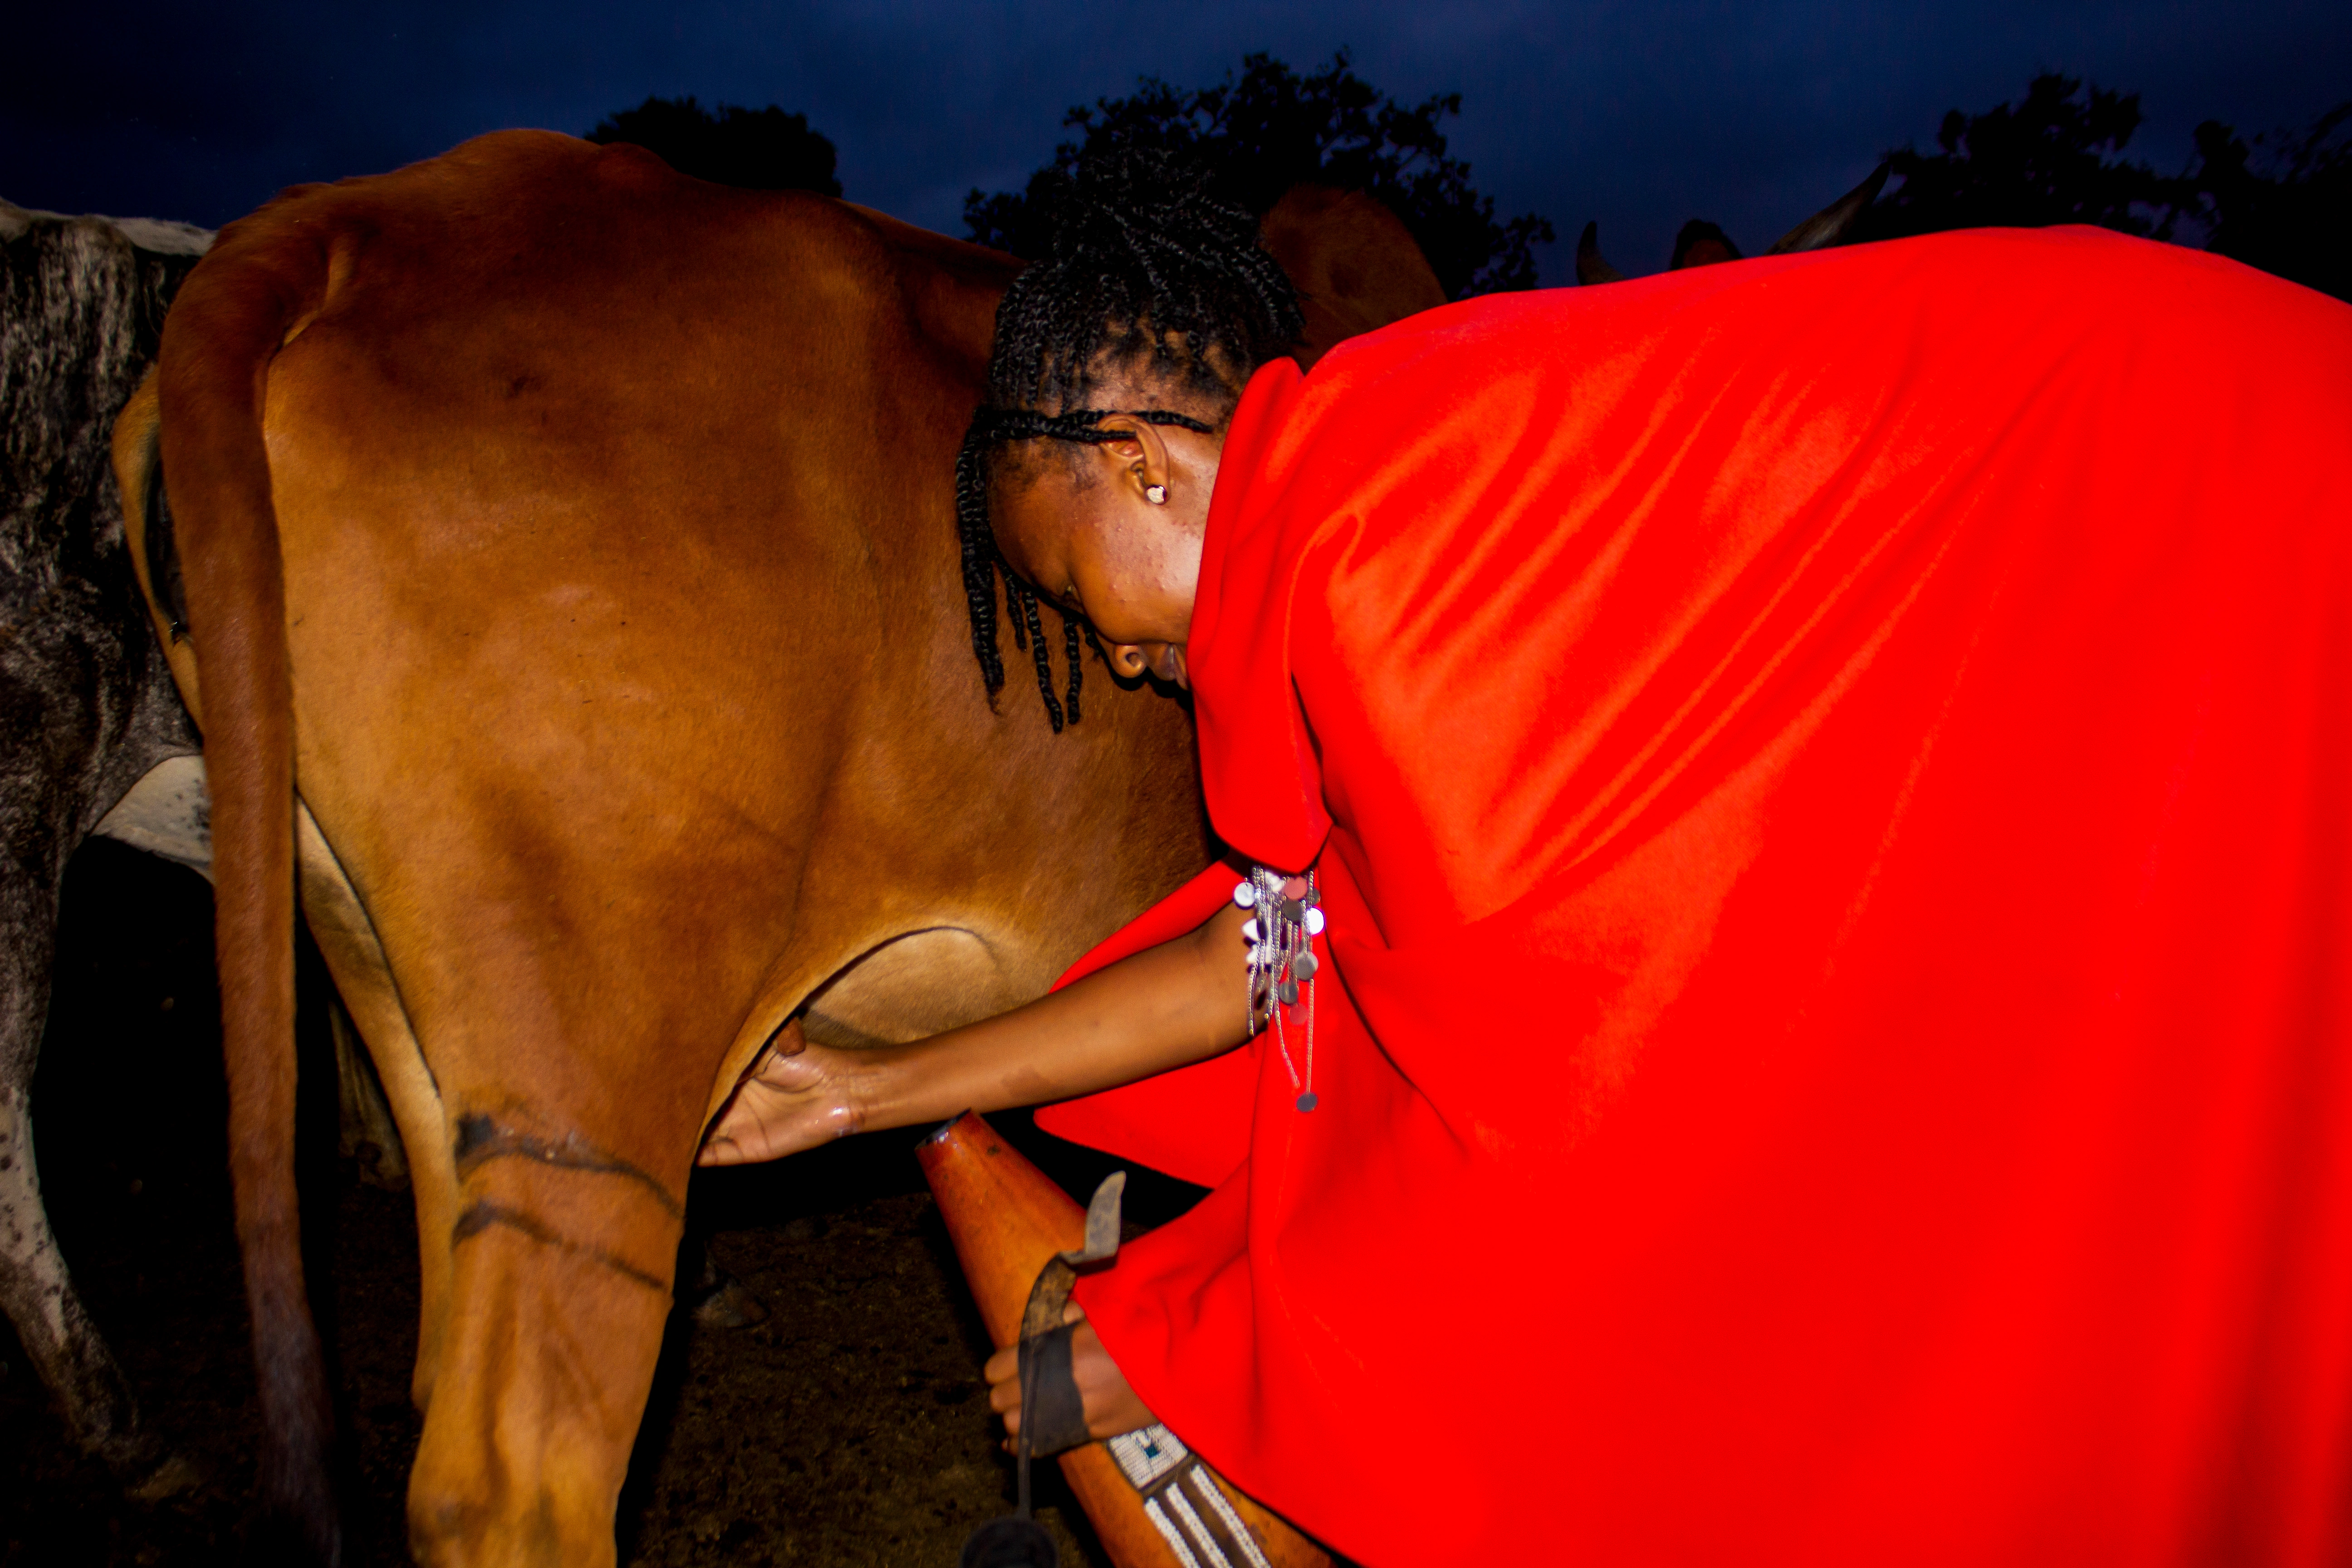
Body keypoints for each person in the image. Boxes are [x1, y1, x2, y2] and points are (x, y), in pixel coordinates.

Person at [702, 151, 2352, 1565]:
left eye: (1072, 592)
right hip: (2183, 474)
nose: (1117, 662)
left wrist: (1194, 1347)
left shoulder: (1379, 562)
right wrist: (869, 1089)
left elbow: (1568, 1094)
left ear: (1138, 466)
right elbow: (1275, 965)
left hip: (2185, 513)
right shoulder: (1359, 487)